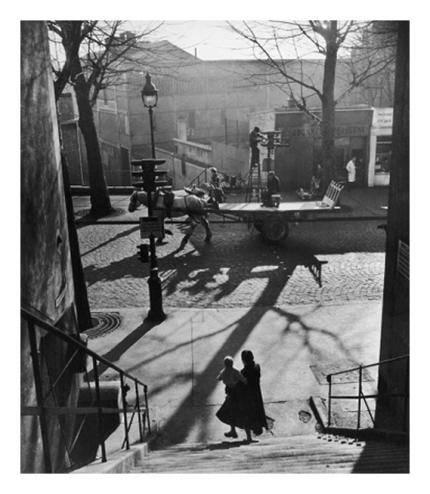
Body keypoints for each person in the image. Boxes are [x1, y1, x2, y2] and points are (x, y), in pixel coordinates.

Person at [216, 349, 273, 442]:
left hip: (246, 398)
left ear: (244, 360)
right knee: (251, 415)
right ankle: (236, 431)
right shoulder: (257, 367)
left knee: (241, 414)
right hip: (256, 396)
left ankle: (245, 436)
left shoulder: (244, 372)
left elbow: (240, 384)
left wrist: (230, 387)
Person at [216, 356, 247, 438]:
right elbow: (243, 380)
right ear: (232, 363)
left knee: (230, 411)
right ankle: (236, 430)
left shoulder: (223, 371)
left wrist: (224, 378)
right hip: (236, 393)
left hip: (229, 393)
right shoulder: (235, 371)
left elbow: (218, 378)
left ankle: (233, 430)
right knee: (236, 411)